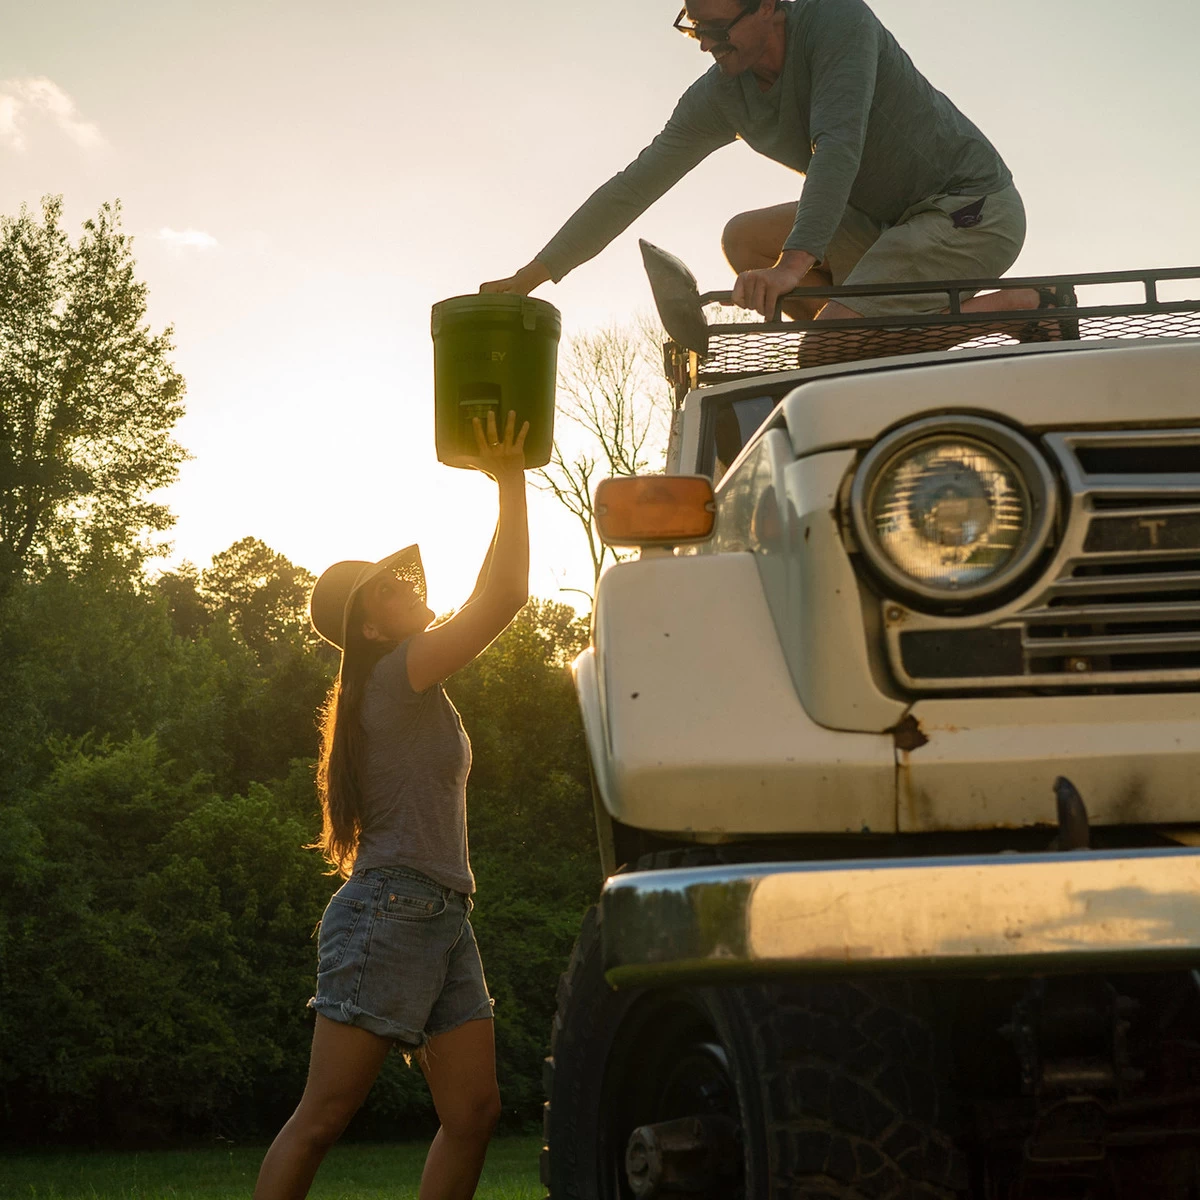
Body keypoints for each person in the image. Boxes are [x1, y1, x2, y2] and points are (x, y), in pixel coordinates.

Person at [254, 411, 530, 1200]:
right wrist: (510, 478)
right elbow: (505, 593)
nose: (412, 585)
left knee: (474, 1112)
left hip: (440, 913)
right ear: (369, 624)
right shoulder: (399, 671)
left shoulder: (406, 683)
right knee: (323, 1116)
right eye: (392, 585)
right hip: (392, 910)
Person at [483, 0, 1073, 357]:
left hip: (967, 210)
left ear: (769, 5)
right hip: (879, 222)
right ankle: (863, 340)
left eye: (720, 28)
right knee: (743, 240)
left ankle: (1021, 306)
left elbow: (837, 145)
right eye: (695, 29)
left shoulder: (838, 23)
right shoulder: (720, 95)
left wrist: (794, 266)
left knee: (827, 352)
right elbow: (633, 184)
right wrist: (532, 275)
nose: (709, 46)